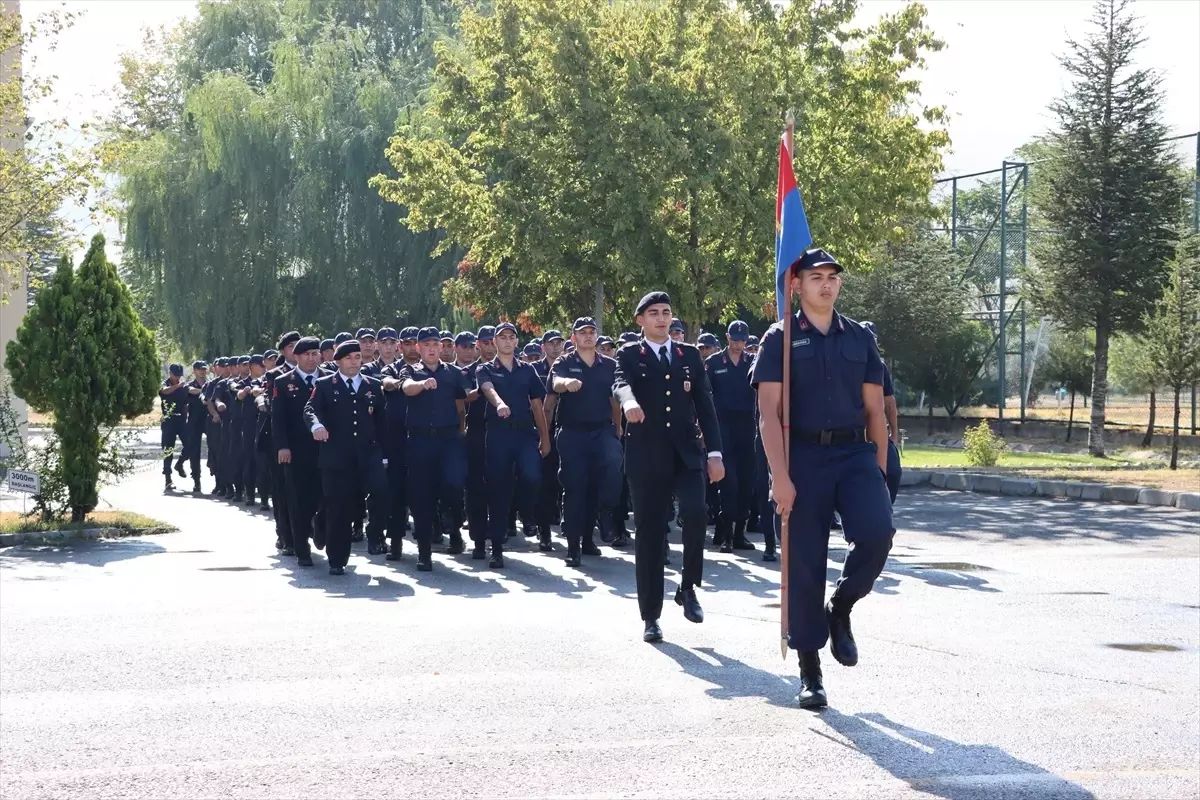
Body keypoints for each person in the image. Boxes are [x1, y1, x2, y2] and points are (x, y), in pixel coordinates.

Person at [751, 246, 895, 710]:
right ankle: (809, 670)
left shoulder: (859, 339)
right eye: (816, 277)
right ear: (796, 284)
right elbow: (768, 416)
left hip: (855, 453)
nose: (826, 283)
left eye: (832, 276)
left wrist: (878, 470)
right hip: (803, 457)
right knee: (805, 563)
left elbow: (876, 409)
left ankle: (843, 607)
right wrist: (780, 477)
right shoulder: (781, 338)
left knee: (878, 534)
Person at [613, 292, 724, 643]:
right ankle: (651, 616)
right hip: (646, 455)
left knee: (695, 513)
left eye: (666, 313)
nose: (662, 319)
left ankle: (688, 586)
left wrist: (715, 452)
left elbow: (705, 405)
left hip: (686, 453)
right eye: (653, 313)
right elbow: (620, 383)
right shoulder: (630, 354)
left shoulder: (689, 355)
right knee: (650, 534)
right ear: (640, 320)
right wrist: (629, 402)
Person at [305, 339, 390, 574]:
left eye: (357, 358)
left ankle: (375, 534)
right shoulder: (324, 385)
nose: (354, 362)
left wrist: (385, 454)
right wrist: (316, 426)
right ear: (338, 361)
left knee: (382, 492)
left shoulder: (373, 385)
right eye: (348, 358)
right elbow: (310, 410)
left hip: (368, 454)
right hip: (337, 457)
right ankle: (337, 558)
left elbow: (382, 423)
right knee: (340, 507)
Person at [476, 322, 551, 568]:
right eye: (502, 337)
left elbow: (538, 405)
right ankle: (496, 548)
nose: (507, 341)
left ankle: (524, 510)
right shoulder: (485, 369)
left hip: (524, 434)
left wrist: (545, 437)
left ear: (516, 342)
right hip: (498, 435)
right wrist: (499, 404)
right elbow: (488, 390)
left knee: (533, 475)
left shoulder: (528, 370)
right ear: (495, 342)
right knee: (497, 490)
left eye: (511, 337)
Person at [549, 317, 622, 567]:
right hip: (573, 434)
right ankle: (574, 547)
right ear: (574, 338)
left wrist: (619, 427)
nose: (588, 336)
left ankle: (604, 514)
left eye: (592, 332)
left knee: (612, 465)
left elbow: (615, 399)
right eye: (583, 333)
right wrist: (566, 383)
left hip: (602, 431)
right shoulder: (565, 361)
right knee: (576, 489)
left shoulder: (609, 365)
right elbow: (555, 382)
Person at [398, 327, 470, 571]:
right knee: (421, 496)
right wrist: (422, 384)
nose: (431, 348)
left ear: (442, 347)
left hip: (448, 440)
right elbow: (406, 387)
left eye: (435, 343)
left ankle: (455, 527)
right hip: (419, 441)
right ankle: (424, 552)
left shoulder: (454, 373)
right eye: (425, 344)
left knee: (454, 485)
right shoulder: (410, 370)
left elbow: (465, 399)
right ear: (418, 348)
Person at [271, 336, 324, 565]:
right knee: (297, 499)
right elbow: (278, 419)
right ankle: (300, 548)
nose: (312, 359)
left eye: (315, 354)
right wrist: (282, 446)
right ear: (296, 357)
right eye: (306, 355)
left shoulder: (328, 379)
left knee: (324, 496)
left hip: (325, 450)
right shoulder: (283, 382)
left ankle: (320, 528)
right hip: (296, 450)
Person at [706, 321, 758, 553]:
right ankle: (725, 533)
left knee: (747, 483)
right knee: (730, 484)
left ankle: (739, 533)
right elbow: (705, 397)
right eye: (735, 339)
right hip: (722, 427)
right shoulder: (714, 363)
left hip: (748, 427)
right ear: (727, 337)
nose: (739, 344)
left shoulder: (753, 363)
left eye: (743, 340)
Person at [862, 322, 903, 504]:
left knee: (892, 471)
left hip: (877, 432)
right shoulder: (843, 363)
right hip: (851, 433)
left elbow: (889, 404)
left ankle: (885, 508)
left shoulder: (878, 366)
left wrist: (894, 435)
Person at [178, 360, 209, 493]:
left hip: (207, 420)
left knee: (215, 447)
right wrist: (205, 390)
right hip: (194, 421)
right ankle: (196, 480)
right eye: (199, 369)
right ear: (194, 371)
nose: (202, 371)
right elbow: (192, 391)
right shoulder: (189, 385)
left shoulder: (210, 383)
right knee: (193, 450)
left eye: (204, 369)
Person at [159, 364, 191, 491]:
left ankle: (180, 463)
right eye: (175, 375)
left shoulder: (184, 387)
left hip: (181, 421)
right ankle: (168, 479)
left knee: (190, 445)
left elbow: (185, 403)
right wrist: (178, 386)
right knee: (168, 450)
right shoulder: (165, 384)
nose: (177, 378)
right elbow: (164, 391)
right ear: (170, 373)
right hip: (169, 420)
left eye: (179, 375)